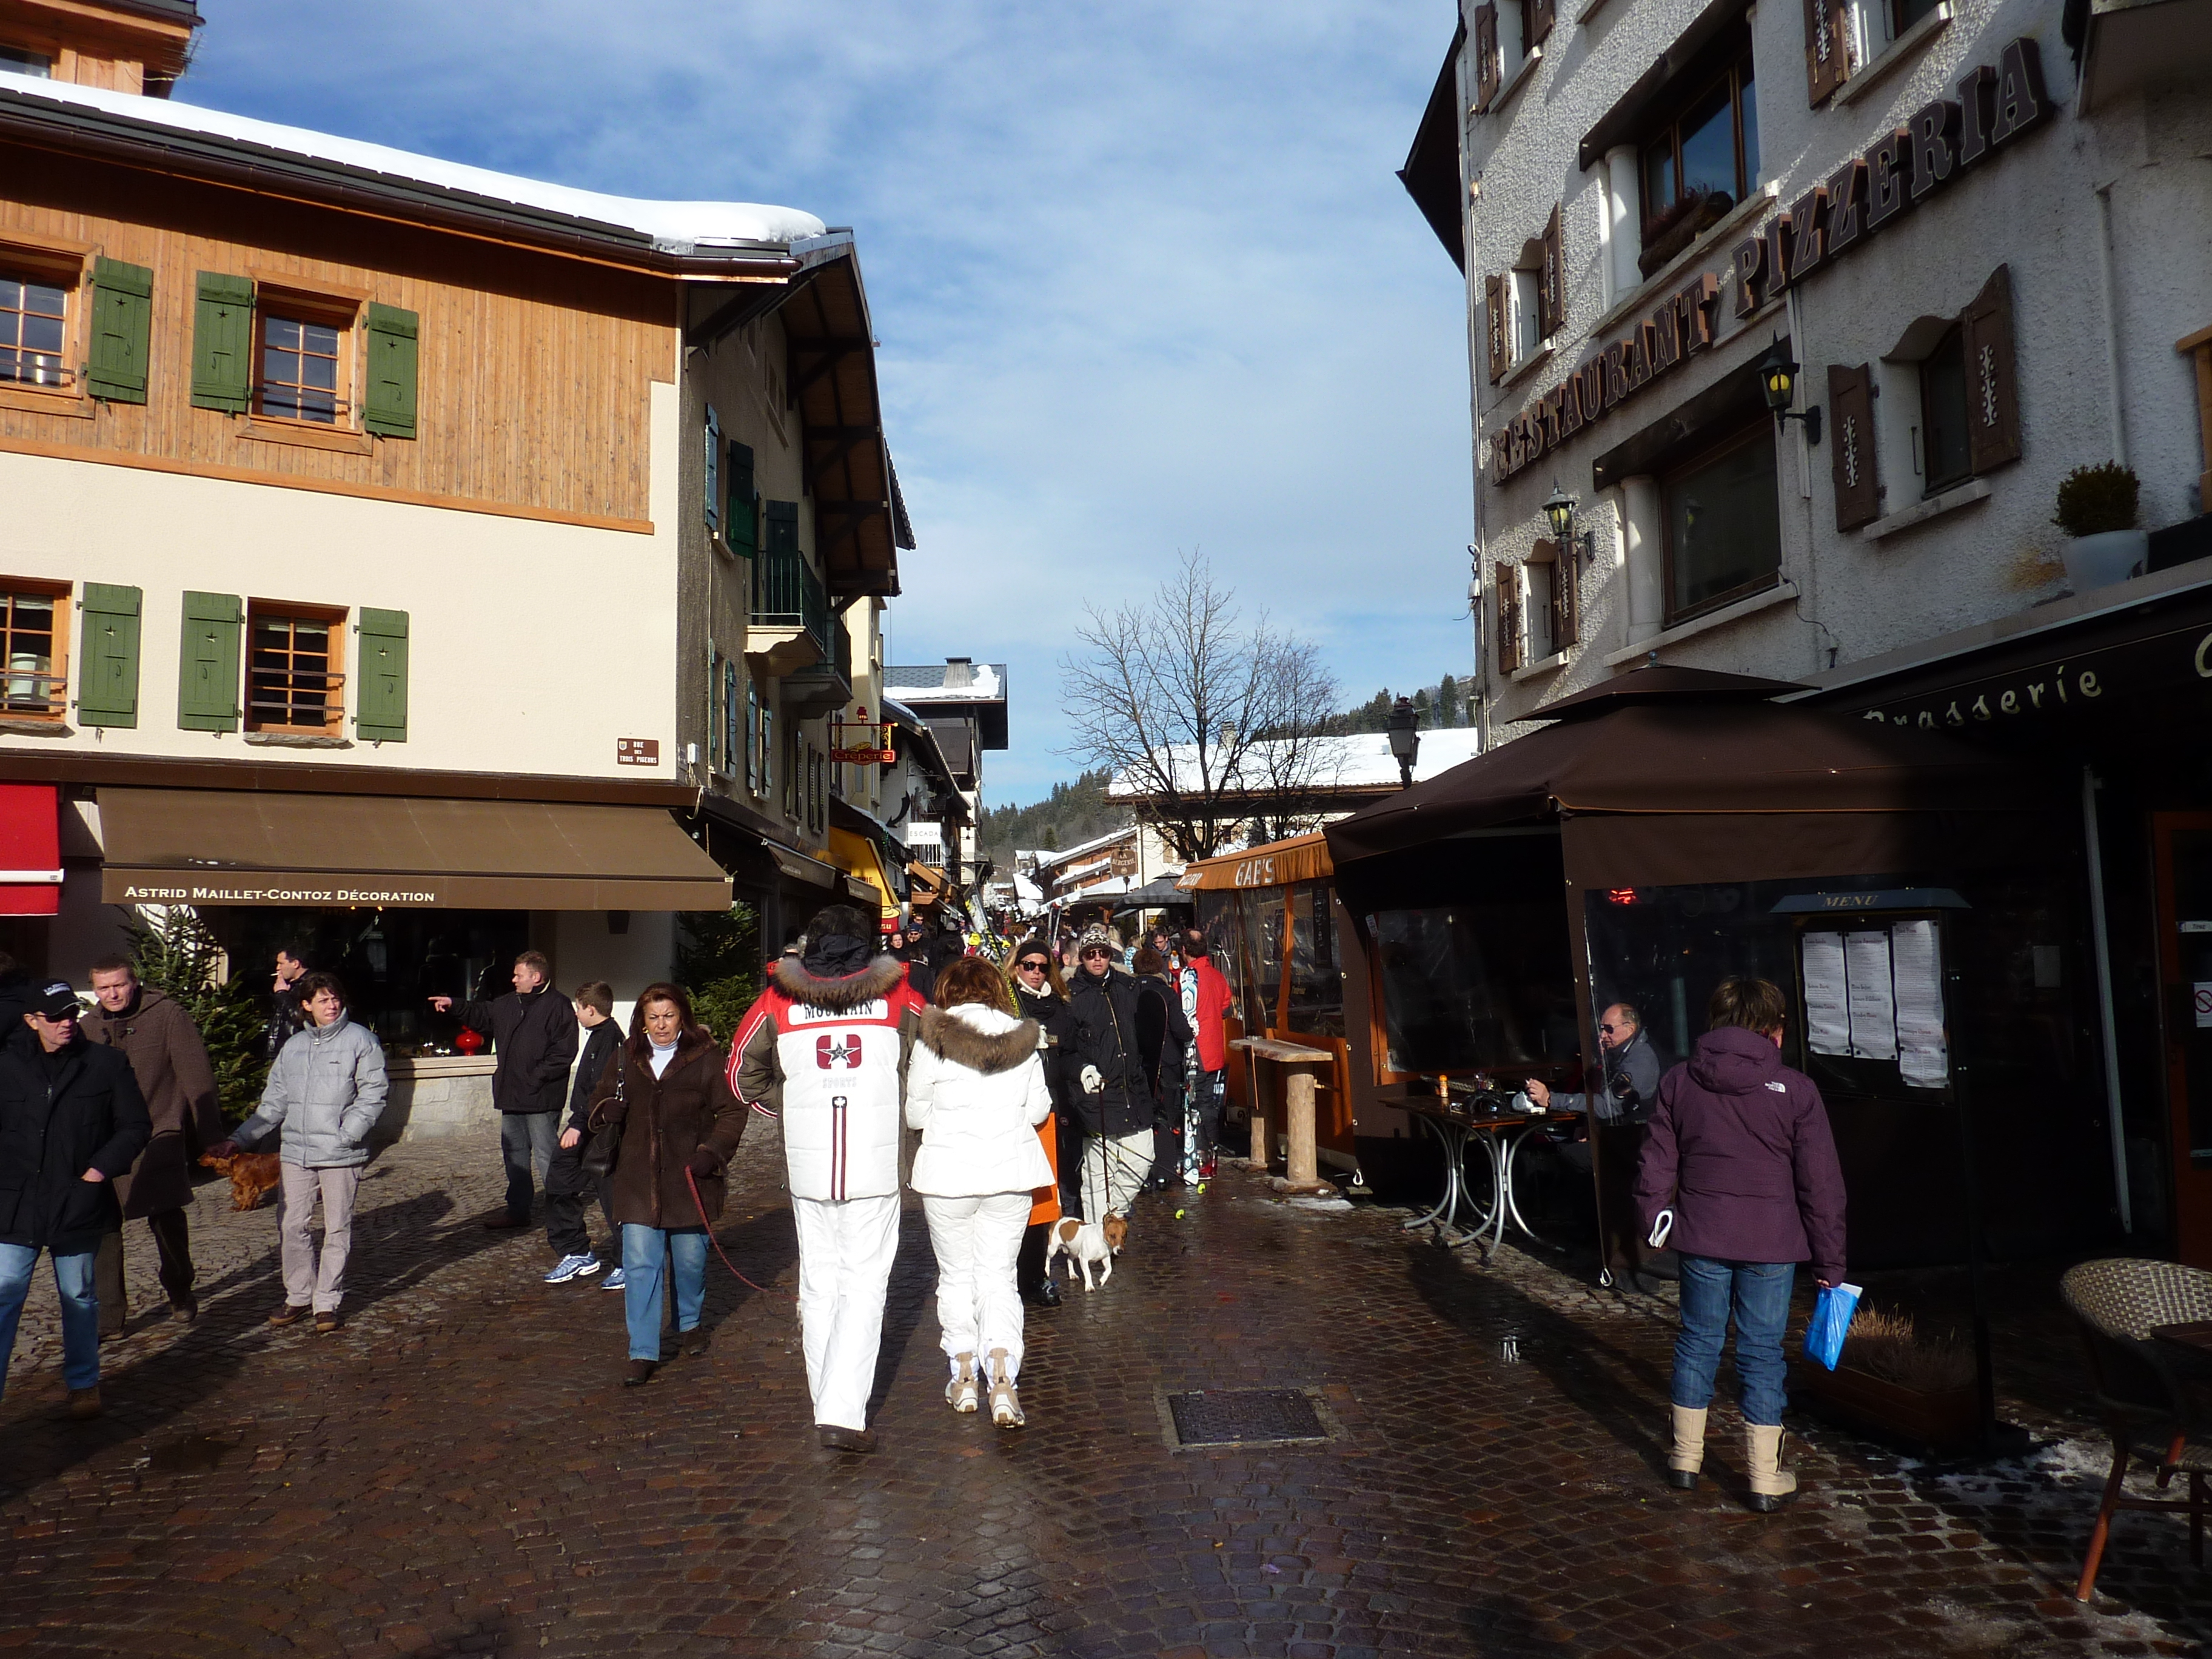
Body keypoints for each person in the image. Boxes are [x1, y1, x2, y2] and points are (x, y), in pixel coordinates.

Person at [1634, 976, 1846, 1513]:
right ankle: (1764, 1477)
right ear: (1774, 1033)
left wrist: (1653, 1220)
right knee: (1760, 1353)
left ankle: (1685, 1458)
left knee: (1699, 1340)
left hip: (1702, 1231)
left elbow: (1657, 1161)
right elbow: (1821, 1184)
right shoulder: (1797, 1090)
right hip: (1772, 1243)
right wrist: (1831, 1260)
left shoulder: (1680, 1081)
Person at [731, 903, 927, 1452]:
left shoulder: (777, 998)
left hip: (809, 1164)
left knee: (818, 1280)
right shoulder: (900, 996)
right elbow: (930, 1064)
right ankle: (842, 1411)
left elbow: (742, 1075)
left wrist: (793, 1109)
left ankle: (826, 1398)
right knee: (865, 1283)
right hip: (877, 1160)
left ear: (811, 945)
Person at [907, 957, 1056, 1429]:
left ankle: (964, 1372)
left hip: (948, 1175)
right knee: (999, 1277)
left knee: (955, 1277)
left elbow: (915, 1116)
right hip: (1009, 1173)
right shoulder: (1023, 1041)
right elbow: (1037, 1111)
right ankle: (1003, 1379)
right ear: (996, 989)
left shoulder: (933, 1043)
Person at [0, 981, 151, 1419]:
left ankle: (83, 1382)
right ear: (32, 1021)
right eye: (56, 1017)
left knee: (80, 1295)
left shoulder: (106, 1064)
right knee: (5, 1296)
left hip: (79, 1201)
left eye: (71, 1014)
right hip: (15, 1206)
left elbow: (135, 1126)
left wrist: (97, 1172)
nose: (67, 1023)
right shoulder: (6, 1067)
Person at [585, 982, 746, 1387]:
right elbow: (596, 1105)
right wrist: (607, 1111)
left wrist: (712, 1151)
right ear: (641, 1020)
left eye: (668, 1016)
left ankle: (689, 1323)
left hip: (690, 1179)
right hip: (637, 1181)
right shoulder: (624, 1057)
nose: (661, 1026)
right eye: (653, 1017)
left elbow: (731, 1111)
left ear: (682, 1017)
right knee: (641, 1264)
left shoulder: (706, 1058)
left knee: (690, 1262)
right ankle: (642, 1350)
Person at [210, 972, 386, 1335]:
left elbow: (373, 1095)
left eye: (335, 998)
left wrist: (347, 1135)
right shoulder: (294, 1047)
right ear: (306, 1006)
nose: (332, 1005)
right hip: (295, 1153)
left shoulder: (361, 1041)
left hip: (341, 1153)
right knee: (292, 1225)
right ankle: (299, 1294)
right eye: (323, 1000)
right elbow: (273, 1104)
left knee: (337, 1228)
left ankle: (327, 1302)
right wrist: (239, 1141)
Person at [82, 954, 226, 1331]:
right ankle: (109, 1315)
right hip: (106, 1144)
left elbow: (198, 1079)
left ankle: (180, 1289)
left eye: (119, 985)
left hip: (158, 1133)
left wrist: (211, 1135)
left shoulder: (168, 1016)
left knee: (167, 1221)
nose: (112, 994)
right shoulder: (87, 1026)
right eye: (103, 988)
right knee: (104, 1229)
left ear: (134, 982)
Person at [1527, 1000, 1671, 1292]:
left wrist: (1552, 1100)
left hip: (1638, 1147)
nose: (1603, 1035)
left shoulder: (1639, 1060)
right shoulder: (1618, 1055)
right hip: (1622, 1139)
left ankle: (1594, 1234)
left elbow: (1608, 1107)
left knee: (1575, 1157)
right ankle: (1591, 1232)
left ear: (1630, 1029)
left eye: (1609, 1029)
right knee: (1569, 1151)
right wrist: (1588, 1124)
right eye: (1600, 1029)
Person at [431, 951, 578, 1232]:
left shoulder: (558, 1007)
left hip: (541, 1098)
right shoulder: (509, 1004)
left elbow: (564, 1053)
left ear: (536, 978)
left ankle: (561, 1214)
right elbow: (482, 1013)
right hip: (512, 1096)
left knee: (547, 1156)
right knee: (514, 1157)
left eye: (518, 975)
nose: (513, 980)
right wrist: (454, 1005)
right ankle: (518, 1211)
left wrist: (535, 1078)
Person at [1054, 923, 1153, 1225]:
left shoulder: (1128, 988)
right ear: (1081, 958)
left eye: (1103, 953)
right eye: (1090, 954)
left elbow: (1146, 1036)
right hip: (1094, 1097)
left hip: (1131, 1092)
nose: (1097, 959)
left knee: (1142, 1158)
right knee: (1098, 1173)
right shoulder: (1070, 997)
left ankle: (1115, 1215)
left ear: (1110, 955)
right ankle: (1097, 1234)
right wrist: (1081, 1071)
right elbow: (1064, 1051)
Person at [542, 981, 625, 1286]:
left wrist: (578, 1124)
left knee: (612, 1196)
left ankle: (629, 1261)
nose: (576, 1014)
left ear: (591, 1009)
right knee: (559, 1181)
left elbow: (600, 1090)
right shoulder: (597, 1038)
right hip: (584, 1125)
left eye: (579, 1008)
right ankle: (576, 1252)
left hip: (599, 1130)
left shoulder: (611, 1042)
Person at [1003, 937, 1069, 1307]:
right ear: (1016, 966)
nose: (1036, 972)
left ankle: (1034, 1275)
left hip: (1050, 1113)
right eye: (1029, 965)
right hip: (1015, 1112)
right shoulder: (1005, 1004)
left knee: (1042, 1203)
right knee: (1012, 1199)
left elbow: (1072, 1049)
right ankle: (1006, 1275)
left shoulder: (1058, 1005)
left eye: (1043, 967)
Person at [1131, 945, 1191, 1189]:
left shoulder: (1128, 991)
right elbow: (1182, 1030)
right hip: (1166, 1063)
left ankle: (1142, 1170)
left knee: (1141, 1117)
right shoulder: (1167, 994)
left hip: (1138, 1062)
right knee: (1165, 1116)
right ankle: (1164, 1168)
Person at [1178, 931, 1233, 1180]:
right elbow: (1226, 1007)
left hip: (1196, 1050)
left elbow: (1182, 1014)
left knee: (1196, 1107)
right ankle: (1211, 1156)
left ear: (1184, 951)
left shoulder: (1188, 977)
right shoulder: (1217, 976)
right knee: (1209, 1104)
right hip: (1214, 1049)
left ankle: (1201, 1158)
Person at [264, 942, 313, 1066]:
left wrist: (281, 995)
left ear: (296, 964)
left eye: (281, 963)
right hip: (282, 1053)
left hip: (296, 1053)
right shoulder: (289, 986)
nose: (277, 968)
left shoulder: (310, 986)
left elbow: (300, 1018)